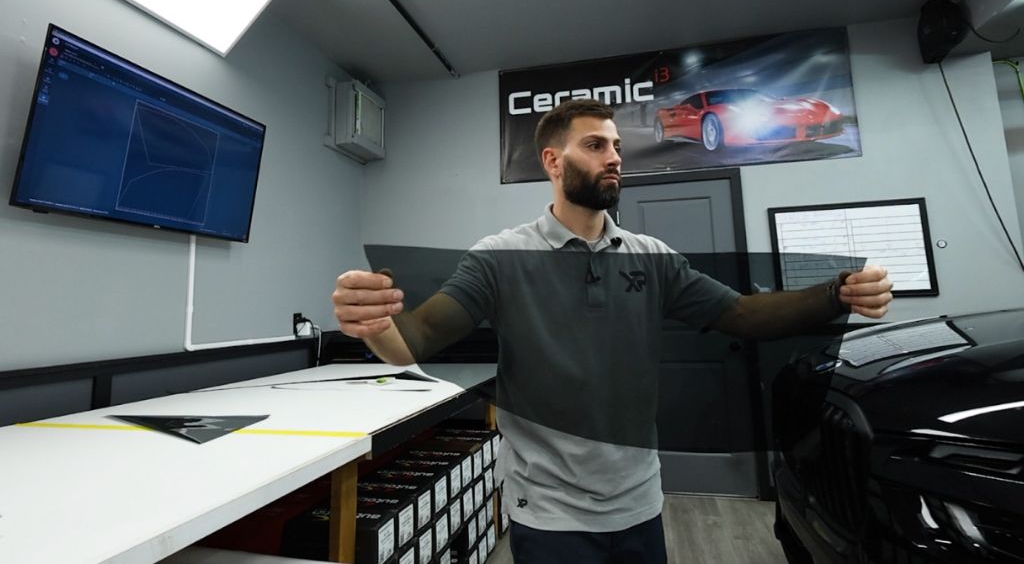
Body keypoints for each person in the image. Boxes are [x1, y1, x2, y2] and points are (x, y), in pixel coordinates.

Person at [332, 99, 893, 563]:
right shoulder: (500, 257)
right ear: (553, 162)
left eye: (617, 146)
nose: (615, 158)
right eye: (596, 146)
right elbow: (418, 338)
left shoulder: (652, 258)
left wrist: (834, 293)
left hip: (640, 503)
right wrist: (376, 325)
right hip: (550, 513)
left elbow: (744, 315)